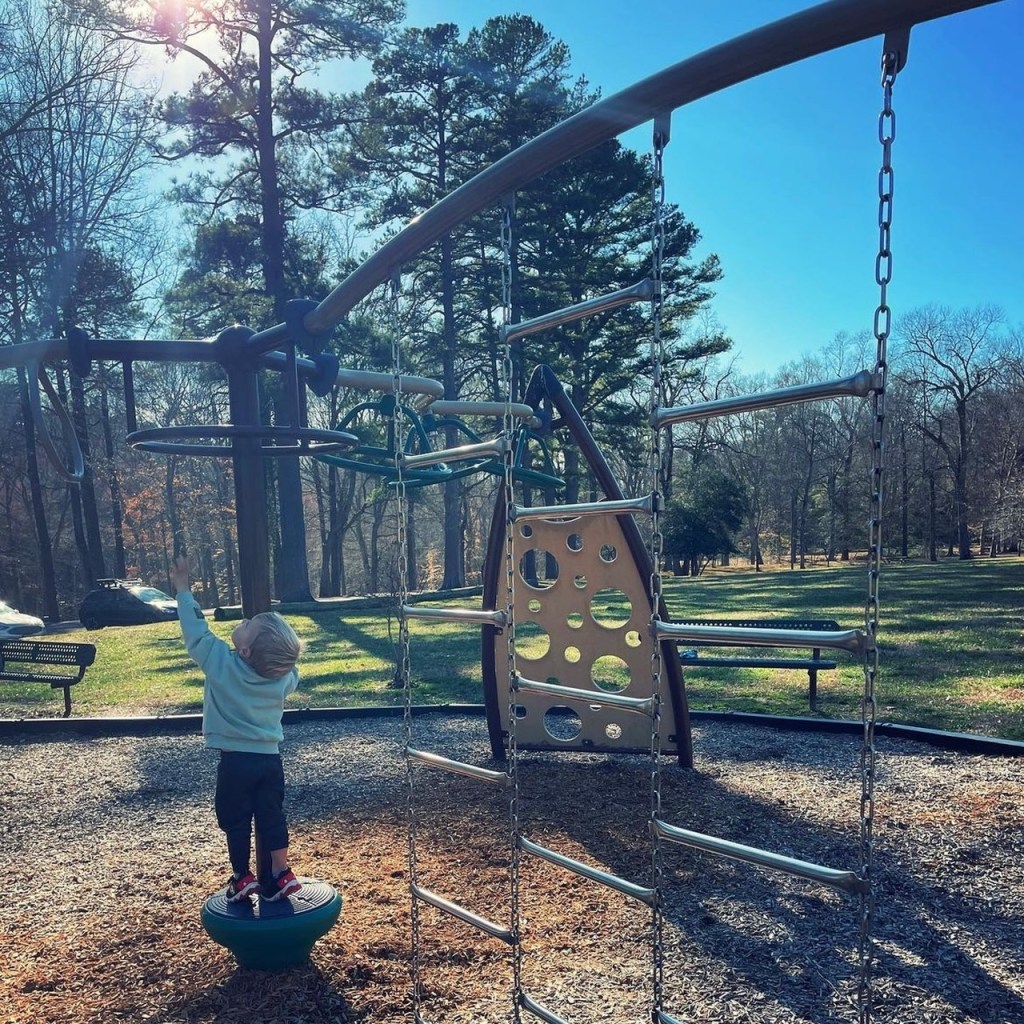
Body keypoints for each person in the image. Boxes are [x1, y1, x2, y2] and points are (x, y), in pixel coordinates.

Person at [169, 554, 303, 902]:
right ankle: (281, 872)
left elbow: (196, 632)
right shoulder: (282, 679)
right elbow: (292, 672)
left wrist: (183, 589)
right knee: (272, 816)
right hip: (270, 761)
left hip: (235, 763)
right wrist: (281, 657)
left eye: (248, 624)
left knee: (236, 820)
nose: (244, 620)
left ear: (244, 650)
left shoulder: (221, 664)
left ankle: (242, 877)